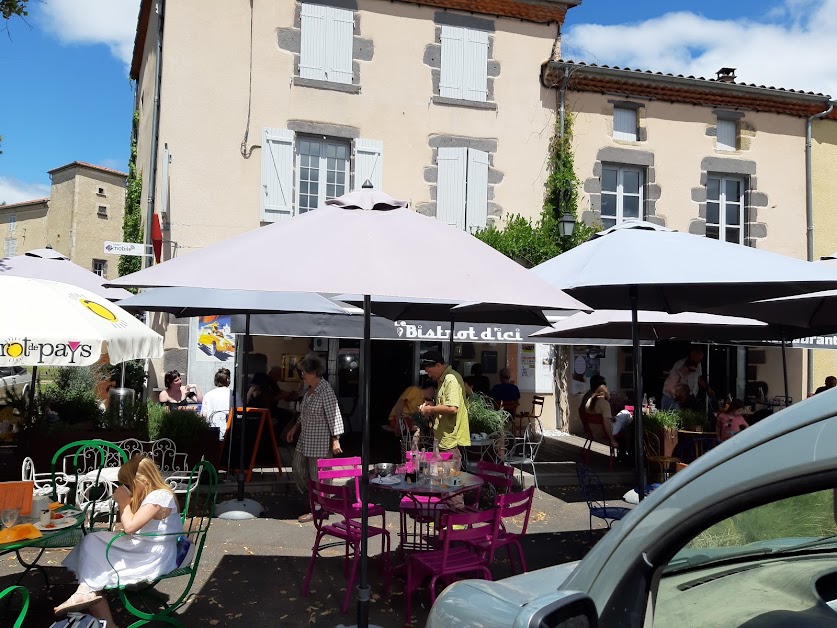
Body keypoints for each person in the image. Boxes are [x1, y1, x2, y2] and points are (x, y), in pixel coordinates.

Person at [55, 454, 182, 624]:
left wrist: (124, 503)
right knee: (92, 541)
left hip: (152, 555)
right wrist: (127, 503)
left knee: (95, 565)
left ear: (141, 480)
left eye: (128, 483)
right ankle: (85, 591)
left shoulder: (159, 496)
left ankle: (89, 597)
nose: (126, 487)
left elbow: (129, 527)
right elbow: (128, 526)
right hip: (142, 546)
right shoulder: (152, 496)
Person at [285, 354, 344, 523]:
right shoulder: (309, 391)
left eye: (304, 372)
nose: (302, 375)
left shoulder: (325, 390)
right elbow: (304, 413)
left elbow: (334, 415)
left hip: (320, 440)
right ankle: (316, 499)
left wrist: (335, 438)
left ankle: (319, 508)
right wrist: (295, 428)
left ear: (314, 372)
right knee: (297, 468)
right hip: (305, 438)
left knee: (318, 475)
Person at [418, 350, 471, 453]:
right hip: (444, 438)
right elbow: (446, 405)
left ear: (438, 365)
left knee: (448, 469)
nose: (429, 376)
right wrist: (433, 405)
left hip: (450, 440)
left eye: (430, 372)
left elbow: (452, 408)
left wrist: (430, 409)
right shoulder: (443, 379)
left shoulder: (450, 379)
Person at [579, 375, 618, 449]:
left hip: (591, 429)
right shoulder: (603, 403)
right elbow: (606, 422)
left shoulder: (588, 399)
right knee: (625, 416)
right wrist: (611, 439)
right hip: (603, 431)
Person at [201, 368, 232, 440]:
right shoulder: (233, 394)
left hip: (212, 432)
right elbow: (240, 412)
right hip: (229, 431)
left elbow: (204, 415)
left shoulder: (208, 395)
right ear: (228, 380)